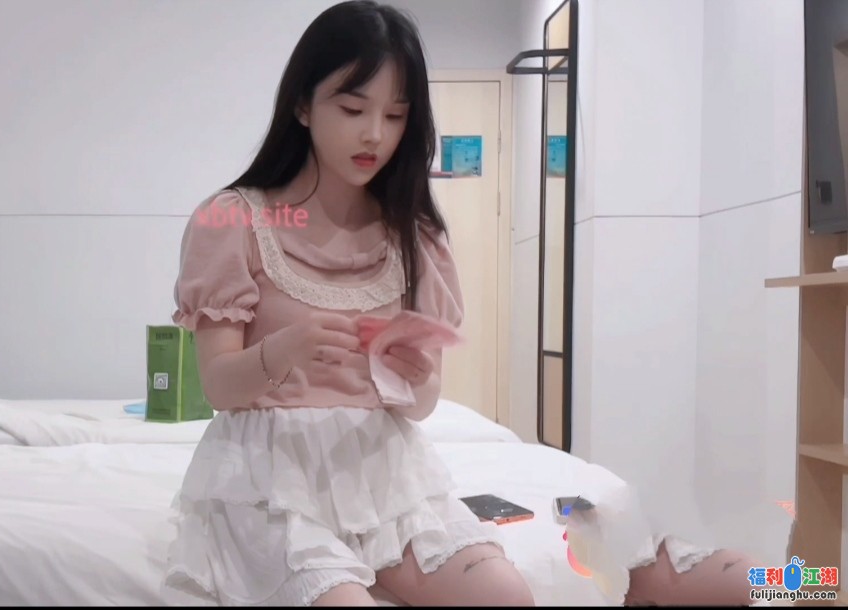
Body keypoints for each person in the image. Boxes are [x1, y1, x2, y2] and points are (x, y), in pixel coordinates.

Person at [162, 1, 759, 606]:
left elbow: (422, 403)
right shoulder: (233, 219)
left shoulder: (414, 235)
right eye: (352, 109)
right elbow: (218, 387)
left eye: (396, 115)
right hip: (270, 479)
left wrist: (410, 376)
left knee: (505, 594)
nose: (375, 135)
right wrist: (284, 351)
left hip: (385, 473)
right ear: (301, 105)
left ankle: (791, 585)